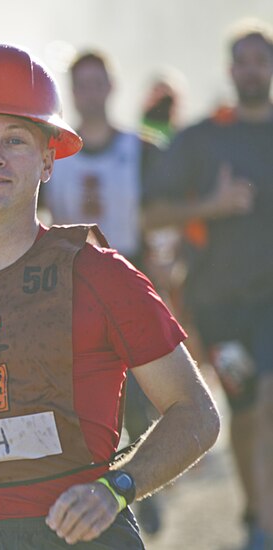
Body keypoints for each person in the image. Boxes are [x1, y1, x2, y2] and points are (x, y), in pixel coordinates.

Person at [0, 44, 221, 549]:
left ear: (49, 160)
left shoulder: (102, 276)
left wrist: (119, 488)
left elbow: (196, 413)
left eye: (16, 140)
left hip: (84, 536)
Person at [143, 23, 273, 550]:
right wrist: (210, 207)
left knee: (268, 400)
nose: (251, 69)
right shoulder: (201, 140)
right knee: (247, 413)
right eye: (242, 60)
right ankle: (256, 518)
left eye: (260, 60)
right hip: (220, 305)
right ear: (229, 69)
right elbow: (150, 215)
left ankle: (263, 525)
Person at [39, 50, 165, 535]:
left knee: (141, 393)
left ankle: (140, 480)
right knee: (93, 395)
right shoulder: (55, 154)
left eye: (98, 83)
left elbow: (161, 210)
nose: (90, 93)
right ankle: (100, 484)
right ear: (73, 92)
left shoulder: (141, 149)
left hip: (134, 278)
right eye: (82, 84)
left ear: (111, 87)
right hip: (73, 286)